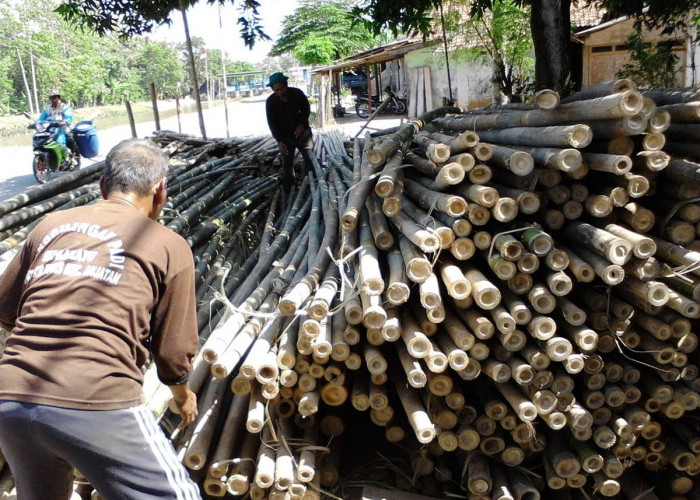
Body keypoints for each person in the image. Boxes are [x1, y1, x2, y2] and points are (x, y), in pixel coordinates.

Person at [0, 139, 202, 500]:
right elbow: (172, 352)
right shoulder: (169, 244)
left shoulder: (50, 226)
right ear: (160, 191)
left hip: (10, 398)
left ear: (103, 186)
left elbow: (5, 309)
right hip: (97, 398)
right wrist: (183, 395)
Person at [265, 72, 315, 193]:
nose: (280, 92)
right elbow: (272, 123)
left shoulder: (297, 94)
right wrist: (279, 140)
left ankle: (313, 185)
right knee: (287, 165)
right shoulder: (271, 102)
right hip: (284, 136)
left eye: (282, 88)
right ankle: (290, 191)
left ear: (286, 85)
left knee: (310, 160)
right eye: (276, 90)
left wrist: (302, 124)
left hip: (303, 134)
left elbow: (306, 109)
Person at [37, 89, 81, 167]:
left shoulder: (64, 107)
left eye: (55, 97)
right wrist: (34, 124)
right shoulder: (47, 108)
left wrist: (65, 121)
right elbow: (41, 119)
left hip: (62, 130)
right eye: (52, 98)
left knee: (60, 140)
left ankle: (69, 158)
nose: (53, 99)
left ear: (59, 97)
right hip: (50, 131)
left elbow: (69, 117)